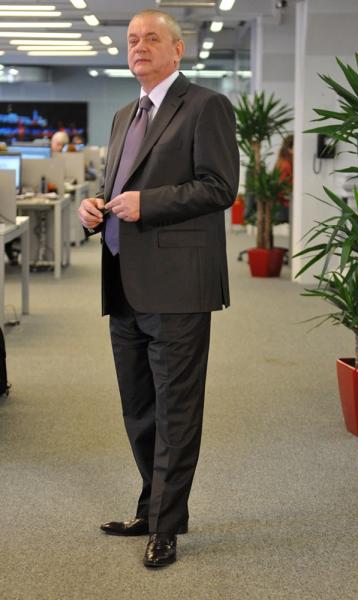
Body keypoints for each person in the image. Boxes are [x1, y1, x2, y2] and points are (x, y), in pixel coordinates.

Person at [78, 9, 239, 569]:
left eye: (151, 38)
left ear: (177, 50)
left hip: (178, 284)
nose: (138, 46)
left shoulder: (206, 106)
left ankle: (166, 526)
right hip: (123, 280)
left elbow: (219, 187)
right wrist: (94, 209)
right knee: (139, 408)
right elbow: (118, 187)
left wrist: (148, 204)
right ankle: (153, 508)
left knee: (176, 411)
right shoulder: (125, 114)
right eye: (131, 39)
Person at [274, 134, 293, 224]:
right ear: (290, 148)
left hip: (283, 204)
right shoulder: (286, 164)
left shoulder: (282, 161)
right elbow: (282, 187)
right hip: (285, 205)